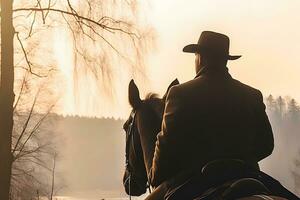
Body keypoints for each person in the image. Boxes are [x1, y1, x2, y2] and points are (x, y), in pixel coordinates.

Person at [146, 31, 274, 200]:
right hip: (247, 174)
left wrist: (155, 175)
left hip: (196, 179)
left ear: (200, 58)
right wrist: (238, 161)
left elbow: (167, 144)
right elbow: (266, 145)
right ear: (225, 60)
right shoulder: (252, 95)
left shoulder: (180, 93)